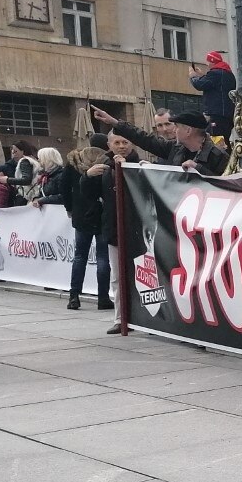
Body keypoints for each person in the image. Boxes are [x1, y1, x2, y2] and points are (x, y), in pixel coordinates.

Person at [82, 133, 144, 334]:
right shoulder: (105, 167)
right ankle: (120, 317)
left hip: (139, 230)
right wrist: (87, 177)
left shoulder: (140, 165)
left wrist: (126, 170)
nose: (121, 146)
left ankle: (147, 318)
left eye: (125, 142)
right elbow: (89, 196)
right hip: (114, 229)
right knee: (117, 277)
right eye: (117, 142)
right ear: (109, 144)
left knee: (143, 275)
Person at [93, 106, 229, 176]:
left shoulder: (218, 155)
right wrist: (115, 122)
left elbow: (228, 185)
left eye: (177, 127)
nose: (174, 130)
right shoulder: (175, 148)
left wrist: (198, 169)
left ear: (188, 131)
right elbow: (145, 139)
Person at [62, 145, 112, 310]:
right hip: (102, 214)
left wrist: (69, 208)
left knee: (80, 256)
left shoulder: (73, 164)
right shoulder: (106, 164)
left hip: (81, 213)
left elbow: (64, 188)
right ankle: (103, 297)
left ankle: (74, 295)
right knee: (103, 258)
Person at [189, 50, 237, 143]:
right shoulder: (229, 75)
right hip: (227, 115)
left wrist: (193, 76)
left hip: (215, 114)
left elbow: (199, 85)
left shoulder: (215, 74)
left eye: (208, 62)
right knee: (224, 140)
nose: (207, 65)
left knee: (215, 141)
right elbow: (216, 86)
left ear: (212, 62)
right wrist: (203, 76)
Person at [1, 140, 42, 204]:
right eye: (12, 151)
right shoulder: (33, 160)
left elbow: (27, 180)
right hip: (34, 194)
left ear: (23, 151)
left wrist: (7, 180)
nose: (13, 154)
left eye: (15, 151)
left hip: (27, 195)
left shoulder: (25, 161)